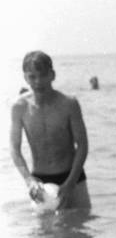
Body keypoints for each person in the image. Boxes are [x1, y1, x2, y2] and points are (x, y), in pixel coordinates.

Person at [9, 51, 91, 211]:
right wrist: (29, 180)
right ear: (25, 78)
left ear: (52, 75)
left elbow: (82, 145)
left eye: (43, 75)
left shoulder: (69, 104)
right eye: (32, 77)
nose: (38, 81)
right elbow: (14, 148)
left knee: (81, 223)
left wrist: (70, 183)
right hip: (40, 182)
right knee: (43, 227)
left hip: (73, 176)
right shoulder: (19, 107)